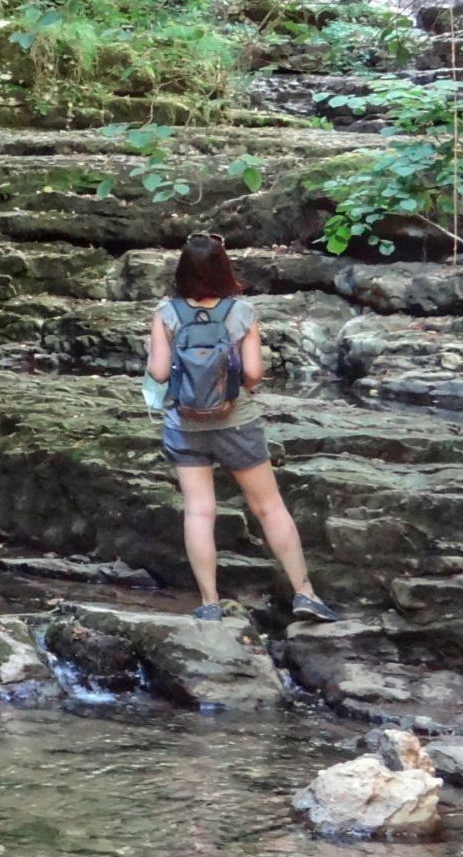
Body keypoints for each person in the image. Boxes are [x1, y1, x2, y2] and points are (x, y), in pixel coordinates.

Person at [144, 233, 338, 624]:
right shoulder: (242, 312)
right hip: (237, 421)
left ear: (182, 269)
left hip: (185, 425)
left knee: (199, 511)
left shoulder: (166, 313)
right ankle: (304, 593)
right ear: (223, 267)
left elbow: (159, 372)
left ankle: (210, 602)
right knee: (268, 507)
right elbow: (252, 372)